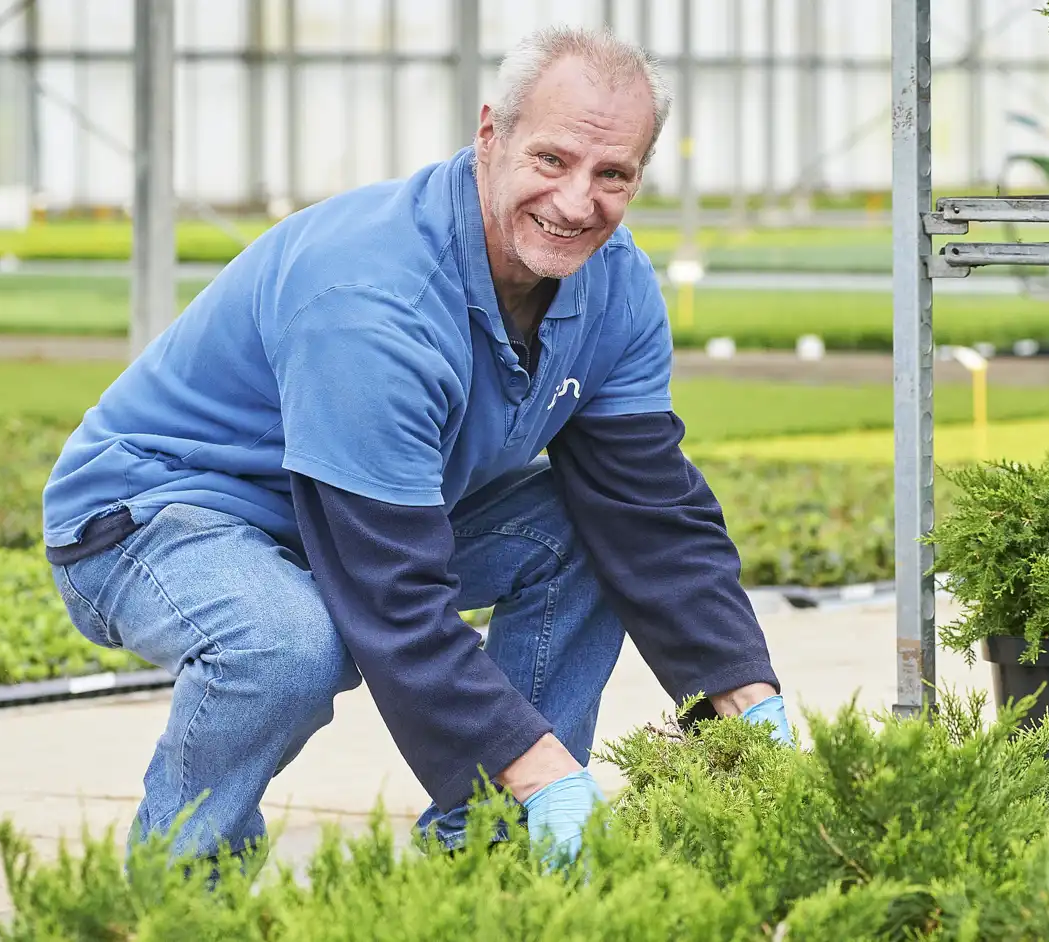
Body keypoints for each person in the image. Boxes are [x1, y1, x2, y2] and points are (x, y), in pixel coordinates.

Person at [39, 25, 791, 871]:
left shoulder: (614, 285)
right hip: (159, 515)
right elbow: (390, 592)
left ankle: (485, 858)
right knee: (286, 645)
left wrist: (743, 696)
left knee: (592, 529)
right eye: (551, 160)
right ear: (489, 135)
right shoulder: (372, 299)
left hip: (354, 515)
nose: (579, 204)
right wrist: (543, 772)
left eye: (611, 175)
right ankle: (174, 894)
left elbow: (645, 509)